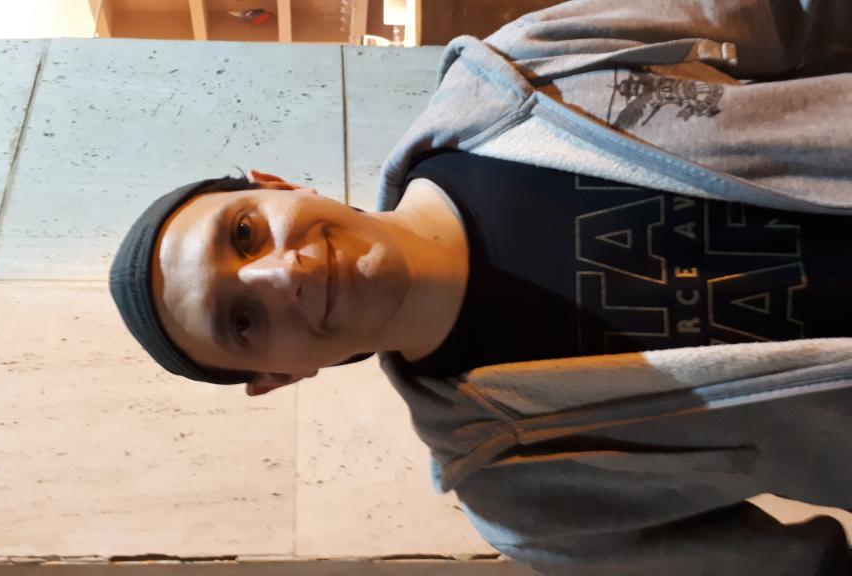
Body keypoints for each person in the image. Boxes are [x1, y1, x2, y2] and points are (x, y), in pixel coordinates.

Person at [109, 0, 852, 574]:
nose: (283, 275)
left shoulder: (525, 70)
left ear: (277, 184)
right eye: (242, 320)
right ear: (278, 377)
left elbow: (789, 16)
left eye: (244, 233)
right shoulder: (522, 492)